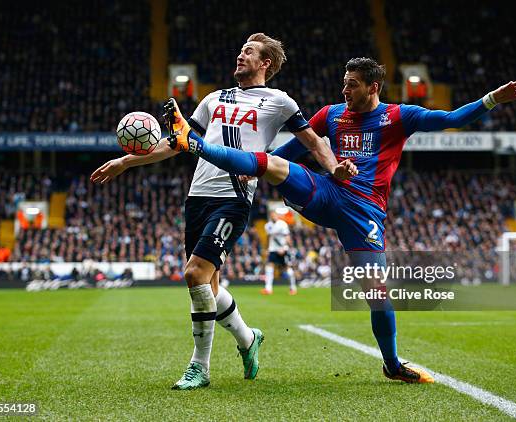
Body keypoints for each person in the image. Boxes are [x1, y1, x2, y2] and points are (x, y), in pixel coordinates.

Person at [165, 57, 516, 383]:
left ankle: (391, 364)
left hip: (364, 211)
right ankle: (195, 144)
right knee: (274, 163)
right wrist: (260, 165)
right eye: (344, 83)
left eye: (352, 84)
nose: (345, 90)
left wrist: (493, 98)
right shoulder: (332, 114)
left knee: (377, 293)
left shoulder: (399, 116)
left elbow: (452, 119)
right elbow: (296, 148)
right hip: (327, 191)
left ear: (372, 87)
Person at [90, 33, 356, 390]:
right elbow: (177, 144)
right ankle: (248, 339)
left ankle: (199, 366)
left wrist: (334, 168)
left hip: (234, 198)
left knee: (194, 275)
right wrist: (126, 161)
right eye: (241, 50)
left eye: (249, 52)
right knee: (210, 287)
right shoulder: (212, 99)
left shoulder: (279, 101)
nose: (240, 56)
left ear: (265, 64)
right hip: (197, 197)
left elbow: (312, 140)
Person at [262, 211, 297, 295]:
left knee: (287, 268)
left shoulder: (282, 224)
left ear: (277, 216)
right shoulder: (268, 226)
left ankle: (293, 288)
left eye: (274, 215)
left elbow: (287, 237)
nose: (273, 216)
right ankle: (268, 289)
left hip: (283, 249)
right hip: (273, 249)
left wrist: (285, 248)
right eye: (272, 215)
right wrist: (266, 249)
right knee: (269, 266)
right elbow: (269, 237)